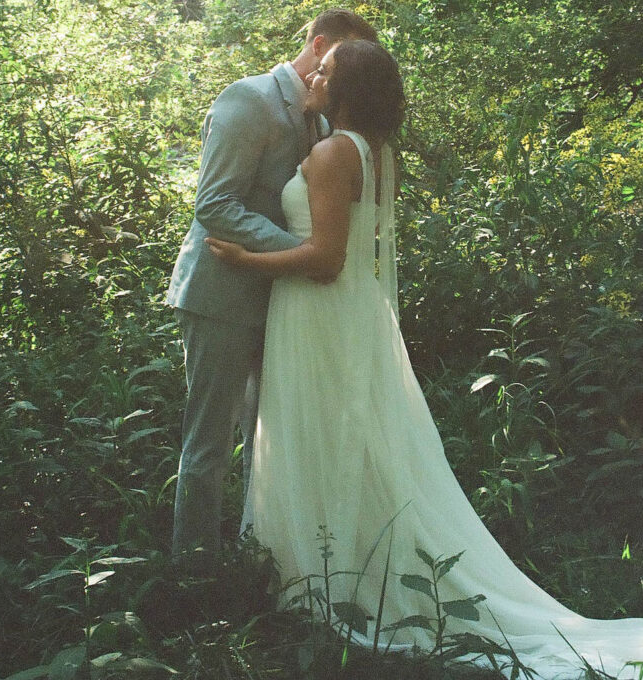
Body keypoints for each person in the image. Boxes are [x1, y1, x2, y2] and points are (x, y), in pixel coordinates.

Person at [206, 39, 643, 678]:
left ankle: (318, 578)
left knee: (314, 434)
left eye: (324, 71)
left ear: (346, 89)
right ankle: (340, 559)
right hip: (350, 314)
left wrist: (248, 260)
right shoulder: (379, 154)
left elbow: (326, 261)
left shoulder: (332, 154)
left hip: (318, 314)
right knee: (346, 438)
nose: (314, 76)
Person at [166, 9, 378, 568]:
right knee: (209, 442)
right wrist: (296, 249)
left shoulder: (329, 119)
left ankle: (259, 559)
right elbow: (213, 204)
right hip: (222, 293)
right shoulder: (248, 99)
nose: (346, 75)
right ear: (319, 45)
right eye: (342, 62)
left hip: (288, 301)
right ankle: (193, 572)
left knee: (271, 437)